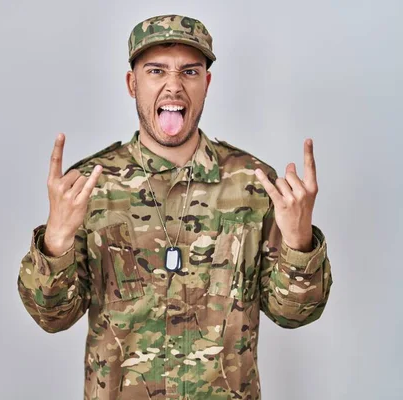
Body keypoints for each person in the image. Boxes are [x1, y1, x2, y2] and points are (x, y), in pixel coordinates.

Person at [17, 14, 333, 400]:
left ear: (207, 84)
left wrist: (299, 242)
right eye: (156, 71)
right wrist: (56, 240)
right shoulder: (88, 187)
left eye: (189, 72)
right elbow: (52, 317)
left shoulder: (254, 184)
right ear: (133, 84)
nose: (173, 86)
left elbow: (294, 314)